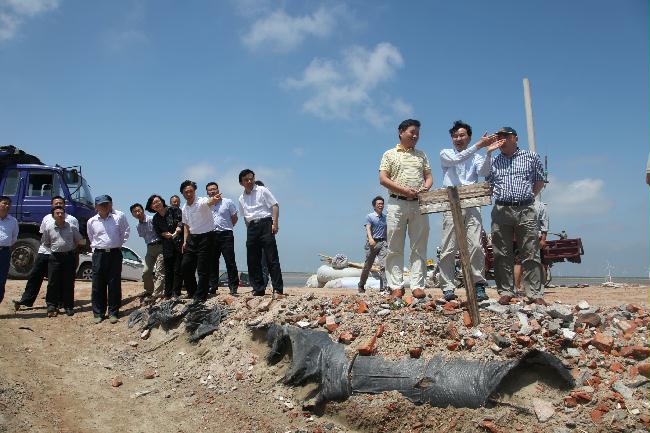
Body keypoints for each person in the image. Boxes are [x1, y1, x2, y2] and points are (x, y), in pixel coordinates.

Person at [438, 120, 503, 302]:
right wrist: (479, 146)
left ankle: (479, 284)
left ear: (469, 137)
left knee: (476, 245)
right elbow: (458, 159)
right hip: (450, 203)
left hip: (473, 201)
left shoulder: (477, 156)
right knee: (448, 247)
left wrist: (488, 153)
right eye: (455, 136)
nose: (458, 139)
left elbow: (483, 172)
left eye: (462, 135)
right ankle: (447, 287)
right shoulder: (446, 153)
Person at [485, 127, 545, 306]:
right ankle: (506, 291)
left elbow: (539, 181)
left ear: (515, 138)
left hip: (525, 208)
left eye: (505, 136)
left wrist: (525, 200)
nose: (502, 140)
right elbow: (487, 183)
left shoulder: (531, 157)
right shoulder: (494, 161)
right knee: (501, 253)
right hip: (501, 210)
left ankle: (534, 293)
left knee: (531, 252)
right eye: (499, 137)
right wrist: (488, 152)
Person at [379, 119, 432, 292]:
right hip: (396, 203)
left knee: (419, 246)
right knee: (395, 246)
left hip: (419, 204)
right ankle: (396, 286)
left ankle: (417, 286)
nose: (415, 135)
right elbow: (383, 179)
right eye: (412, 132)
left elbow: (429, 177)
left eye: (418, 133)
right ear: (401, 132)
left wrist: (426, 187)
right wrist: (404, 190)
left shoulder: (422, 155)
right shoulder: (389, 154)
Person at [13, 195, 79, 310]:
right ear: (51, 205)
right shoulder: (46, 218)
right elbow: (43, 235)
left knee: (58, 279)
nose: (58, 205)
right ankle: (26, 300)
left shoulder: (72, 219)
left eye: (60, 203)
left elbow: (76, 238)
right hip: (45, 252)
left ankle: (59, 302)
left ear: (64, 205)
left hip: (61, 254)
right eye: (56, 203)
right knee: (35, 275)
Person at [238, 169, 283, 296]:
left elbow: (275, 205)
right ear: (241, 182)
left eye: (251, 178)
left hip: (266, 224)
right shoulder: (241, 197)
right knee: (252, 259)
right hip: (252, 227)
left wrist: (275, 223)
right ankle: (258, 288)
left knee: (271, 257)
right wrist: (249, 228)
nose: (249, 181)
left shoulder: (263, 190)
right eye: (246, 179)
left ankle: (278, 289)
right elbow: (244, 215)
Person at [87, 195, 130, 323]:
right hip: (99, 255)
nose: (104, 206)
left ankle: (113, 313)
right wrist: (101, 247)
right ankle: (98, 313)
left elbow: (125, 231)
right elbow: (91, 236)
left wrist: (116, 244)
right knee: (98, 284)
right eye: (101, 204)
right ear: (96, 207)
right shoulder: (92, 221)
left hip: (114, 254)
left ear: (110, 205)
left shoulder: (119, 217)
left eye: (106, 204)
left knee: (114, 283)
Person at [179, 180, 221, 303]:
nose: (189, 193)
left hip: (207, 236)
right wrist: (185, 241)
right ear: (182, 193)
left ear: (194, 191)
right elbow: (186, 225)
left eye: (191, 191)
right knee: (185, 266)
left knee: (203, 268)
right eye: (186, 192)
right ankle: (192, 291)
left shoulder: (202, 201)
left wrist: (215, 199)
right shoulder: (184, 207)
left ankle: (201, 296)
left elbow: (210, 202)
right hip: (192, 238)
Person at [41, 206, 83, 316]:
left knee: (69, 282)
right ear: (53, 215)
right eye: (57, 213)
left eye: (62, 213)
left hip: (69, 257)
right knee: (53, 282)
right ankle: (51, 306)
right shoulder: (48, 228)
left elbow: (79, 240)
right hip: (55, 257)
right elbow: (46, 242)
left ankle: (68, 306)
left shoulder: (72, 227)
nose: (60, 215)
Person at [206, 182, 240, 295]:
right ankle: (212, 286)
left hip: (226, 234)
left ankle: (233, 286)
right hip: (211, 235)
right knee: (212, 262)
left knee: (230, 260)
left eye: (214, 189)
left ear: (218, 190)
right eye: (210, 190)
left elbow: (234, 217)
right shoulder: (206, 204)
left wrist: (228, 227)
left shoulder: (227, 202)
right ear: (207, 192)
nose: (212, 191)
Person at [147, 194, 184, 299]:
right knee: (168, 270)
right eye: (153, 203)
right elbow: (158, 231)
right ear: (151, 207)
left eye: (157, 201)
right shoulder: (155, 218)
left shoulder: (173, 210)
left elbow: (182, 220)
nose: (156, 204)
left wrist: (179, 227)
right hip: (167, 246)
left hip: (178, 243)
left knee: (177, 269)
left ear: (162, 201)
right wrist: (163, 234)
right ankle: (168, 294)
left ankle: (176, 293)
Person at [130, 203, 165, 301]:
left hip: (160, 246)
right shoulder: (138, 226)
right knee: (146, 271)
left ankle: (157, 294)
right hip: (149, 248)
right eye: (135, 212)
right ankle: (149, 291)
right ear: (132, 214)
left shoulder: (152, 219)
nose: (137, 213)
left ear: (142, 210)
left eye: (139, 210)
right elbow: (143, 236)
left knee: (159, 272)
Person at [514, 199, 549, 292]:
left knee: (520, 262)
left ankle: (517, 287)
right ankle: (539, 287)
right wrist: (543, 239)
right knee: (538, 262)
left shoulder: (517, 203)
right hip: (533, 236)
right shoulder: (541, 205)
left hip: (525, 236)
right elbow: (544, 224)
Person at [357, 196, 387, 293]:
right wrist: (370, 238)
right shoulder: (370, 216)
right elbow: (368, 228)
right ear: (374, 206)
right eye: (379, 204)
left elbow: (387, 230)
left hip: (383, 243)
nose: (381, 205)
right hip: (372, 243)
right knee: (367, 266)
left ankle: (384, 288)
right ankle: (361, 285)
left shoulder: (385, 217)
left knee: (384, 265)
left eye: (382, 204)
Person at [0, 196, 18, 304]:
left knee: (1, 280)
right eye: (4, 203)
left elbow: (14, 237)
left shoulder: (13, 221)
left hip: (4, 253)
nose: (7, 206)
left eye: (8, 204)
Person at [254, 180, 269, 288]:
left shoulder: (268, 203)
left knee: (264, 262)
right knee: (255, 262)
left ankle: (262, 285)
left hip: (266, 236)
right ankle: (257, 285)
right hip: (254, 237)